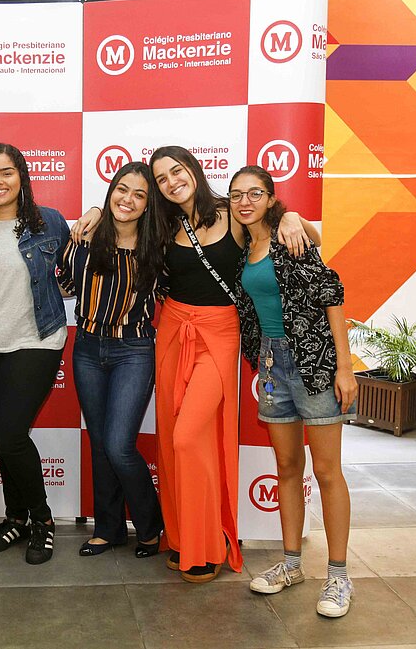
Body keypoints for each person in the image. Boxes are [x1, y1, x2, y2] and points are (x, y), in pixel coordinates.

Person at [72, 145, 318, 584]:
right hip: (171, 329)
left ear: (194, 169)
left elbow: (297, 234)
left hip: (218, 334)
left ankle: (209, 543)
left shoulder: (231, 212)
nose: (171, 182)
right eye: (161, 179)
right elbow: (121, 216)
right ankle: (184, 536)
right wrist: (94, 209)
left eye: (176, 171)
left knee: (190, 436)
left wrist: (292, 217)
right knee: (174, 440)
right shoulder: (162, 223)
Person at [228, 165, 357, 618]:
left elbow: (331, 294)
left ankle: (338, 576)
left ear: (270, 198)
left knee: (326, 471)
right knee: (286, 466)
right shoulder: (243, 248)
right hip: (271, 365)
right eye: (236, 194)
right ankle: (291, 565)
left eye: (254, 193)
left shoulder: (290, 238)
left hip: (314, 361)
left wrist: (345, 367)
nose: (244, 202)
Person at [0, 143, 70, 565]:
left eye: (7, 172)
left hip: (37, 340)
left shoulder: (50, 222)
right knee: (5, 437)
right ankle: (16, 517)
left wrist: (95, 213)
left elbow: (84, 256)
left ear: (21, 176)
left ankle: (42, 520)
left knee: (10, 434)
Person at [57, 162, 165, 558]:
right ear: (110, 192)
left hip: (133, 351)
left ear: (149, 205)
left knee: (119, 445)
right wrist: (93, 214)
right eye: (122, 189)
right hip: (86, 349)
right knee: (101, 443)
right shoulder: (85, 237)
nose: (128, 199)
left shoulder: (159, 246)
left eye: (140, 195)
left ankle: (151, 526)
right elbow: (64, 284)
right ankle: (108, 529)